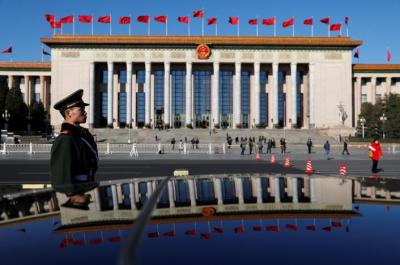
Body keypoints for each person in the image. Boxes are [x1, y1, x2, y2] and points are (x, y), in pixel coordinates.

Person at [50, 89, 98, 210]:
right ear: (69, 113)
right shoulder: (66, 139)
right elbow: (61, 175)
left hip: (84, 189)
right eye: (81, 110)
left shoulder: (80, 135)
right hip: (77, 193)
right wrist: (74, 195)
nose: (85, 113)